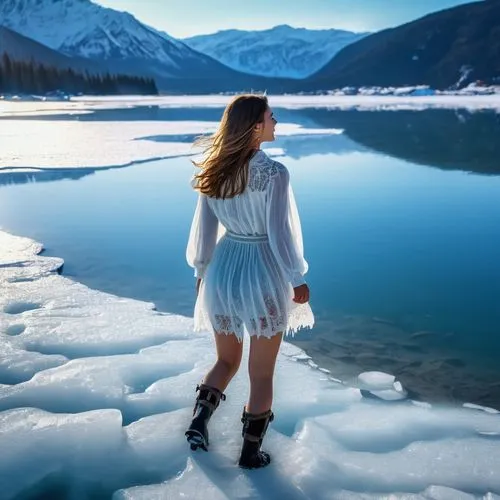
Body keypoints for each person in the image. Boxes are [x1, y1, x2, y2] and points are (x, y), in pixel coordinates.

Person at [185, 94, 314, 469]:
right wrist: (296, 277)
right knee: (261, 374)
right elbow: (278, 234)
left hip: (223, 270)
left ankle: (198, 422)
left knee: (225, 359)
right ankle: (250, 452)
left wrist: (200, 274)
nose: (276, 123)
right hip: (263, 270)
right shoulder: (274, 173)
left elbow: (205, 233)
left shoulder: (213, 170)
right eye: (271, 117)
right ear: (255, 125)